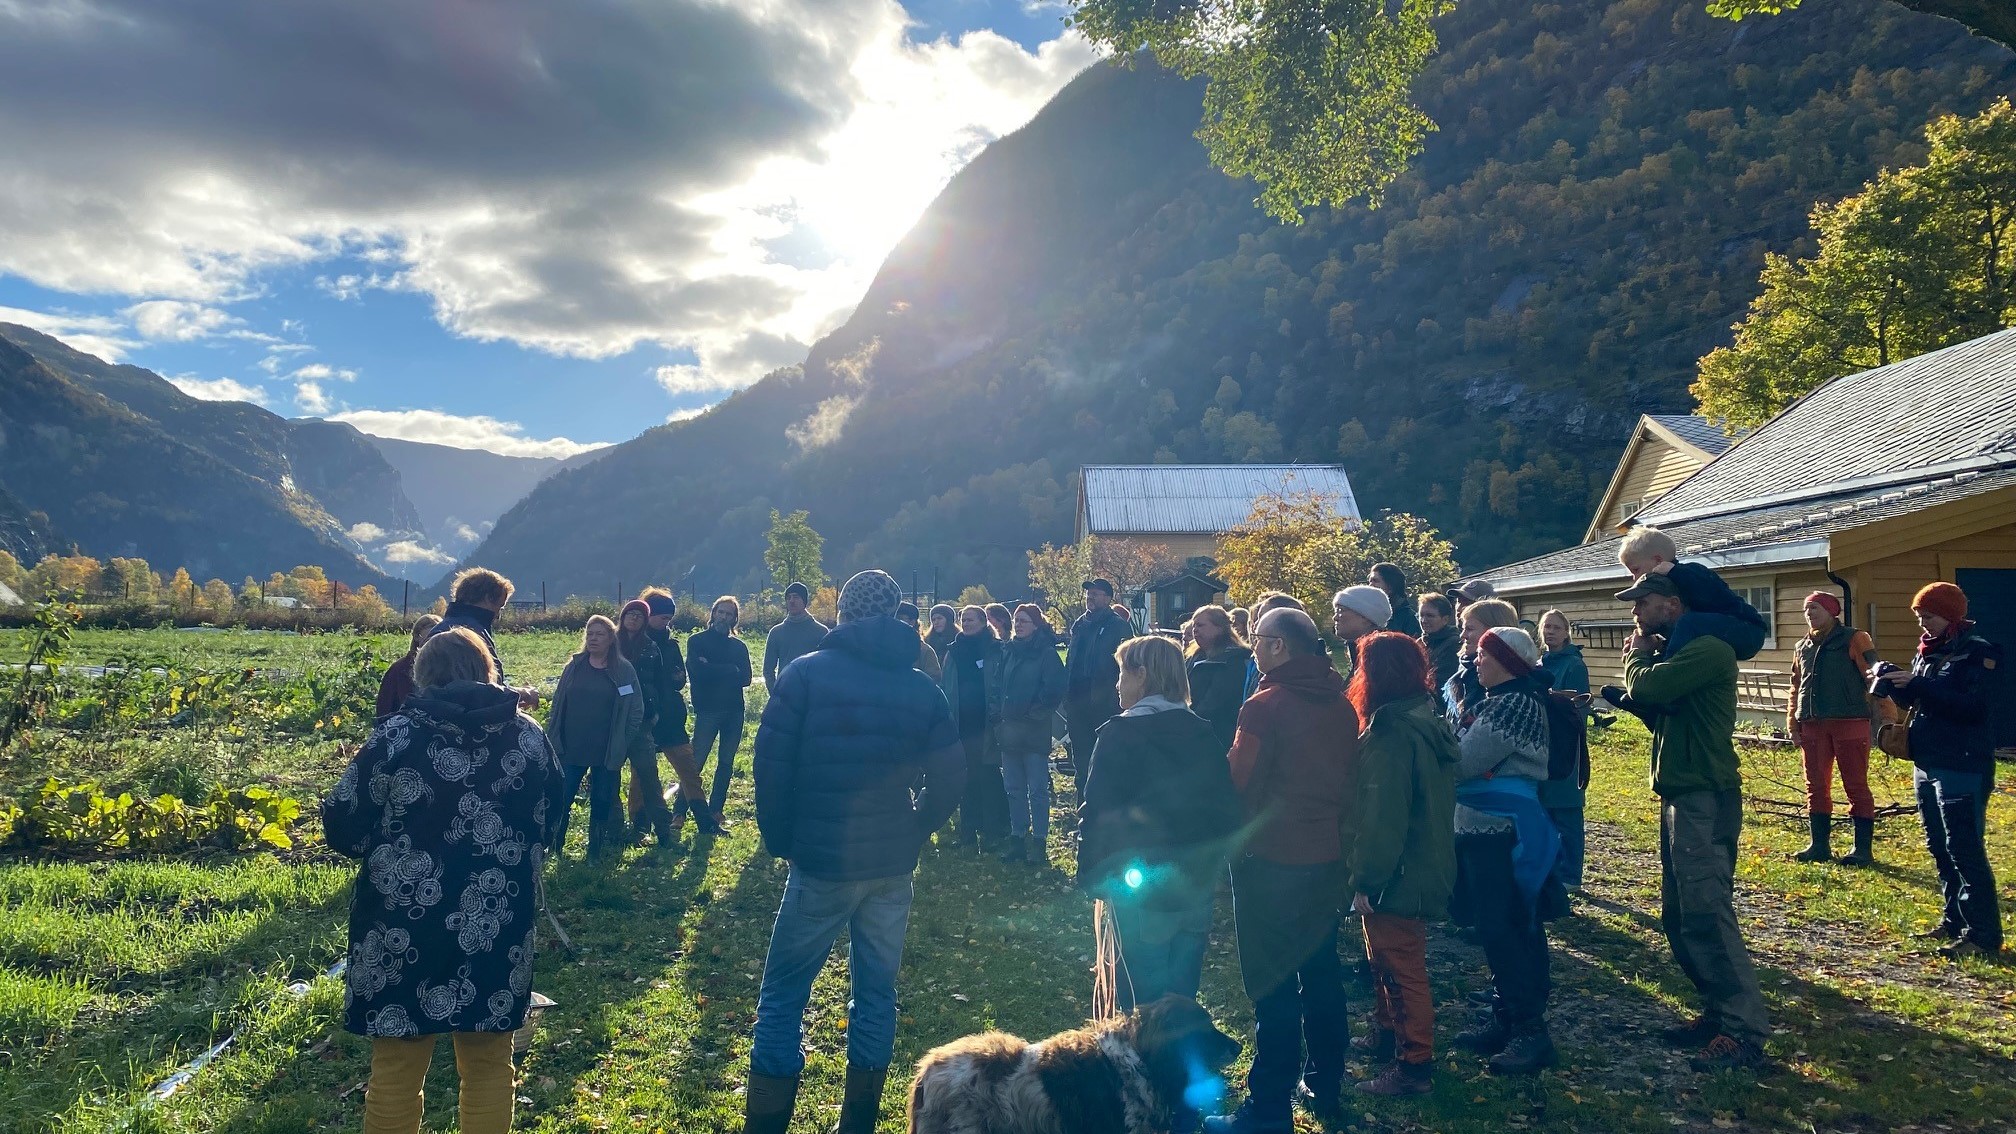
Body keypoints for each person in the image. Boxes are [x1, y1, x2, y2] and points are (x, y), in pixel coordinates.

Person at [744, 570, 965, 1134]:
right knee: (876, 992)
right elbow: (950, 780)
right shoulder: (923, 687)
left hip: (822, 860)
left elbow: (769, 768)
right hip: (891, 862)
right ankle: (858, 1122)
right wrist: (915, 831)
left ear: (841, 613)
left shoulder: (805, 676)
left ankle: (766, 1124)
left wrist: (781, 840)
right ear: (895, 615)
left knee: (784, 993)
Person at [325, 627, 564, 1134]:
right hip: (495, 923)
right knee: (489, 1065)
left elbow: (343, 820)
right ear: (487, 671)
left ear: (423, 676)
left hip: (399, 926)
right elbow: (549, 817)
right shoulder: (527, 736)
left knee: (395, 1070)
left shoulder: (396, 736)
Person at [1208, 608, 1357, 1133]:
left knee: (1271, 983)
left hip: (1270, 860)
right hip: (1327, 856)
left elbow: (1237, 782)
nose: (1252, 647)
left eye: (1257, 640)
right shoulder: (1342, 705)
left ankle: (1267, 1106)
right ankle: (1325, 1083)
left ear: (1278, 647)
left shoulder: (1265, 706)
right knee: (1320, 972)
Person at [1619, 572, 1771, 1069]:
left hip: (1705, 794)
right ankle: (1717, 1010)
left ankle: (1744, 1031)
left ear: (1673, 604)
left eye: (1644, 602)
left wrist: (1636, 657)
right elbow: (1664, 707)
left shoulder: (1708, 649)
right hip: (1683, 790)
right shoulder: (1685, 649)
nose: (1636, 612)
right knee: (1680, 915)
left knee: (1707, 909)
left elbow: (1652, 686)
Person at [1078, 635, 1239, 1019]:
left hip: (1140, 883)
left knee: (1140, 996)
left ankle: (1145, 1069)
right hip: (1193, 879)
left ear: (1142, 674)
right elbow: (1223, 807)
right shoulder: (1201, 731)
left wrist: (1092, 875)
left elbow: (1100, 811)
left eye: (1122, 673)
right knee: (1181, 988)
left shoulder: (1121, 733)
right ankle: (1178, 1066)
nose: (1117, 684)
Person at [1342, 631, 1458, 1097]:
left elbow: (1381, 815)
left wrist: (1366, 878)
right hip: (1422, 859)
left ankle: (1414, 1065)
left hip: (1399, 869)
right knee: (1386, 958)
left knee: (1401, 965)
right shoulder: (1423, 717)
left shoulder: (1391, 734)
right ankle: (1386, 1033)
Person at [1449, 627, 1563, 1075]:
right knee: (1499, 925)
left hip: (1505, 834)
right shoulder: (1496, 701)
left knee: (1509, 927)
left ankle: (1530, 1032)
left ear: (1507, 660)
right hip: (1486, 830)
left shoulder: (1513, 704)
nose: (1475, 661)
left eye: (1483, 654)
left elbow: (1460, 761)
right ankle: (1507, 1017)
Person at [1877, 582, 2003, 959]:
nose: (1923, 626)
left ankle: (1983, 934)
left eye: (1929, 617)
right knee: (1939, 847)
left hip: (1962, 762)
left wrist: (1919, 685)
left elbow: (1973, 708)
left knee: (1964, 847)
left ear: (1952, 616)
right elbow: (1923, 699)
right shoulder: (1928, 652)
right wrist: (1896, 683)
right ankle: (1954, 921)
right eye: (1919, 618)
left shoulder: (1979, 653)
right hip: (1927, 760)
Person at [1787, 591, 1881, 865]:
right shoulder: (1801, 646)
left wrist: (1886, 718)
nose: (1810, 613)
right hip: (1812, 723)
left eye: (1815, 608)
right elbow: (1796, 687)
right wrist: (1793, 722)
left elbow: (1874, 677)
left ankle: (1862, 850)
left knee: (1856, 785)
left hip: (1850, 722)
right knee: (1815, 785)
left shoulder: (1855, 638)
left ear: (1831, 611)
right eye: (1806, 609)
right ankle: (1819, 846)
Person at [547, 615, 646, 862]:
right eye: (590, 633)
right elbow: (558, 703)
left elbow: (635, 709)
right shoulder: (575, 666)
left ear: (611, 639)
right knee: (562, 798)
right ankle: (555, 848)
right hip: (570, 748)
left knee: (601, 800)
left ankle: (594, 852)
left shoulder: (623, 670)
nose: (593, 638)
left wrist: (623, 740)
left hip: (606, 750)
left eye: (599, 634)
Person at [990, 603, 1068, 864]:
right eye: (1017, 619)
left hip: (1034, 731)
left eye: (1025, 620)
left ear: (1036, 624)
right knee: (1013, 787)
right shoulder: (1008, 652)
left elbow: (1055, 688)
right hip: (1009, 730)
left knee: (1037, 789)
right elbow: (997, 685)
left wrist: (1033, 713)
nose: (1019, 624)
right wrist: (997, 715)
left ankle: (1039, 842)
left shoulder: (1046, 654)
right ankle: (1017, 838)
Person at [1617, 527, 1768, 660]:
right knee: (1679, 627)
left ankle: (1668, 666)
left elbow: (1711, 592)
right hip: (1725, 630)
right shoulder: (1669, 585)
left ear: (1658, 561)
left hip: (1748, 629)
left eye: (1636, 570)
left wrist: (1675, 571)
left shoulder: (1689, 571)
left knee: (1687, 622)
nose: (1635, 578)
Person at [641, 591, 716, 835]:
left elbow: (679, 678)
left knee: (689, 771)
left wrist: (677, 677)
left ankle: (705, 823)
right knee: (641, 777)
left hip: (672, 718)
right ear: (649, 615)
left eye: (669, 618)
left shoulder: (671, 645)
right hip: (646, 718)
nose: (667, 623)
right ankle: (639, 826)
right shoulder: (636, 645)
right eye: (662, 618)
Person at [940, 605, 1006, 849]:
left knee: (988, 778)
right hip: (962, 725)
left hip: (989, 725)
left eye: (970, 619)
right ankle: (967, 833)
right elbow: (946, 687)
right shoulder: (954, 652)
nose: (965, 623)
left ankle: (992, 832)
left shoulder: (996, 649)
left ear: (983, 621)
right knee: (966, 780)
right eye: (962, 619)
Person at [615, 599, 678, 848]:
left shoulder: (651, 647)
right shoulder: (611, 643)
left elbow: (661, 682)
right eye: (630, 614)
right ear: (622, 616)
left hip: (642, 721)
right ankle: (615, 832)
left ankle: (663, 832)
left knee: (649, 778)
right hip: (613, 722)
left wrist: (656, 712)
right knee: (609, 778)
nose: (634, 618)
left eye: (639, 616)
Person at [689, 595, 756, 828]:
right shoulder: (696, 641)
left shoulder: (739, 646)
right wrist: (730, 670)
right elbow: (697, 673)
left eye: (729, 614)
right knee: (695, 762)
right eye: (721, 612)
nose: (724, 617)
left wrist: (712, 668)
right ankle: (680, 811)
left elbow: (746, 679)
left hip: (734, 712)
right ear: (713, 613)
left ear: (734, 619)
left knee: (726, 762)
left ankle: (716, 809)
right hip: (707, 711)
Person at [1063, 577, 1134, 796]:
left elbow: (1127, 665)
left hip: (1105, 706)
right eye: (1088, 593)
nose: (1090, 596)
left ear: (1109, 598)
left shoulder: (1118, 625)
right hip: (1077, 705)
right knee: (1081, 764)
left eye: (1096, 593)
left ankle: (1105, 815)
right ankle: (1083, 815)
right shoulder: (1080, 625)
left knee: (1105, 762)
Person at [1536, 609, 1591, 889]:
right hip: (1540, 743)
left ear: (1567, 632)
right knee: (1546, 810)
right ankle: (1552, 869)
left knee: (1567, 811)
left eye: (1557, 628)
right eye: (1547, 627)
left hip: (1565, 743)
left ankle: (1571, 875)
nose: (1551, 632)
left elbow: (1579, 708)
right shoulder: (1538, 663)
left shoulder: (1573, 665)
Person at [432, 567, 537, 707]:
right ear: (488, 598)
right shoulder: (472, 635)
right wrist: (522, 694)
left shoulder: (438, 631)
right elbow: (478, 692)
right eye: (500, 607)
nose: (498, 616)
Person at [1185, 604, 1252, 754]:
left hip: (1218, 736)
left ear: (1220, 628)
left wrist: (1191, 721)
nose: (1195, 630)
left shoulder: (1235, 659)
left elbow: (1216, 702)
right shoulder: (1193, 657)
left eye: (1201, 625)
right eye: (1194, 625)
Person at [1448, 598, 1520, 726]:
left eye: (1469, 629)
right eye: (1463, 628)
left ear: (1493, 632)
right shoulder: (1466, 669)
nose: (1462, 635)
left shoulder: (1501, 677)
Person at [1241, 591, 1305, 701]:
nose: (1255, 625)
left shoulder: (1307, 679)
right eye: (1255, 619)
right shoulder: (1262, 664)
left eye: (1262, 618)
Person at [374, 614, 441, 720]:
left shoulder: (446, 669)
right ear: (416, 636)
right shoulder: (399, 669)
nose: (432, 644)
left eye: (436, 639)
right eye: (429, 639)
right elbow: (384, 708)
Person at [764, 581, 830, 686]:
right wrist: (776, 694)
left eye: (796, 597)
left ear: (804, 601)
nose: (791, 601)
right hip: (785, 694)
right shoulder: (776, 633)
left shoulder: (821, 632)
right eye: (788, 597)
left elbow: (827, 668)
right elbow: (768, 670)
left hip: (812, 695)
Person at [1332, 584, 1393, 673]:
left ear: (1365, 617)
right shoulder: (1366, 657)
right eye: (1335, 611)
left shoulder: (1381, 661)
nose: (1335, 617)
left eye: (1340, 610)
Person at [1418, 594, 1462, 696]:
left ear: (1445, 619)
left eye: (1430, 616)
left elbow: (1440, 682)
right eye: (1421, 615)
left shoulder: (1454, 644)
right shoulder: (1420, 643)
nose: (1424, 620)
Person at [1368, 563, 1421, 639]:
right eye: (1370, 581)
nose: (1370, 585)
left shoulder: (1409, 620)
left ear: (1391, 587)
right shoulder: (1367, 616)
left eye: (1375, 581)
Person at [896, 601, 943, 680]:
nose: (895, 621)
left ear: (912, 622)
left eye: (900, 618)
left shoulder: (925, 651)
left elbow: (933, 680)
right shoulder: (885, 646)